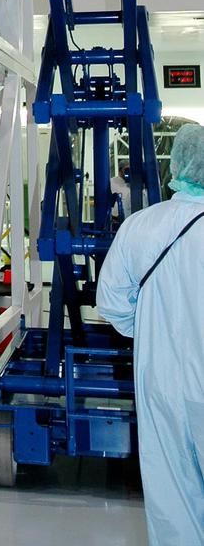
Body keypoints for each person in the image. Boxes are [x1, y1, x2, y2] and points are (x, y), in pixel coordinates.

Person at [96, 124, 204, 546]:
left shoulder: (141, 227)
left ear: (175, 166)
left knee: (173, 496)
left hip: (162, 385)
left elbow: (114, 307)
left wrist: (157, 330)